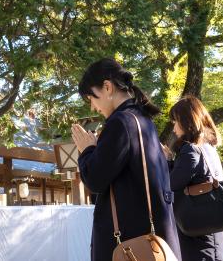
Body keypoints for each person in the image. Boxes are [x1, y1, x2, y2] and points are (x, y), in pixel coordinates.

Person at [72, 58, 181, 261]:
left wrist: (87, 150)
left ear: (107, 87)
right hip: (153, 238)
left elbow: (95, 180)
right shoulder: (142, 119)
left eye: (91, 99)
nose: (93, 108)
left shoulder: (120, 123)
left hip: (130, 245)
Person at [167, 95, 223, 261]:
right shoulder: (208, 147)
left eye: (175, 121)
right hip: (218, 233)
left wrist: (167, 161)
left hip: (202, 239)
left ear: (187, 121)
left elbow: (170, 184)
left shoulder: (191, 150)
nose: (174, 128)